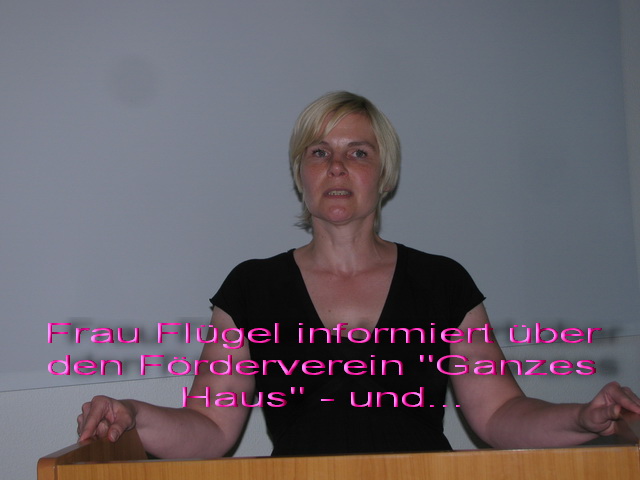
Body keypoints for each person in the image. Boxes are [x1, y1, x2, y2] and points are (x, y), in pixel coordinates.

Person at [78, 91, 640, 458]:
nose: (338, 167)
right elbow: (209, 428)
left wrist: (583, 418)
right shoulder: (251, 289)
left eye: (359, 153)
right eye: (319, 152)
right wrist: (135, 414)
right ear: (300, 174)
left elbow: (498, 414)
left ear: (384, 174)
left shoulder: (442, 283)